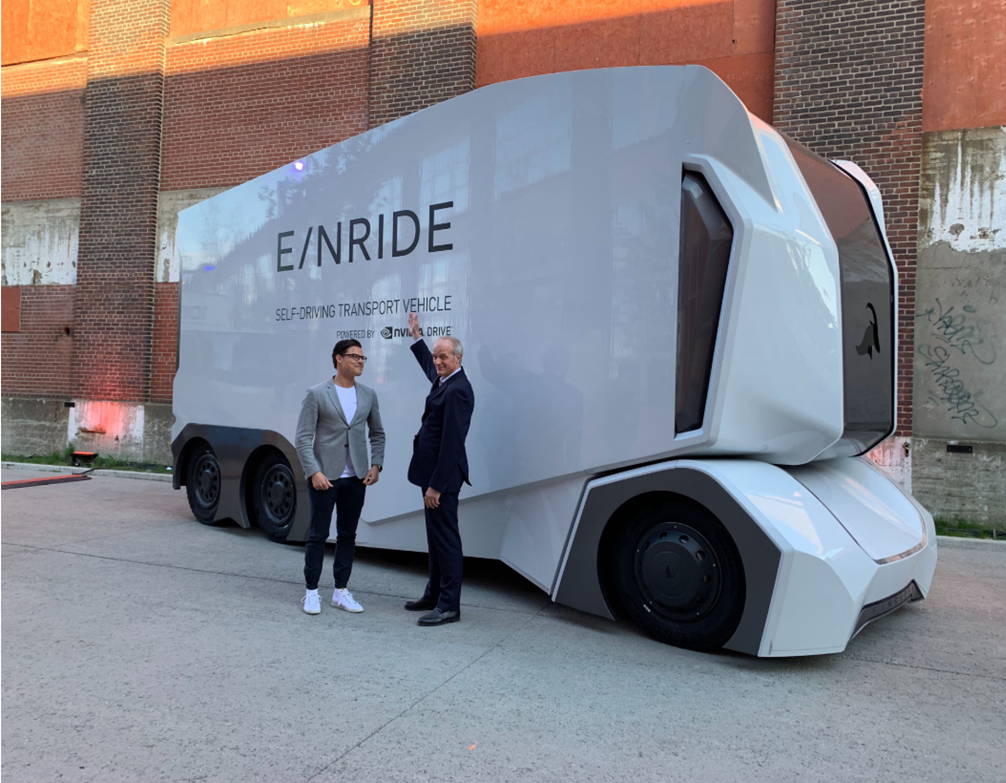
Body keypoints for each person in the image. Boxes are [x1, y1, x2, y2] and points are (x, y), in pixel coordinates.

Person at [295, 339, 385, 616]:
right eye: (354, 356)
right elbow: (303, 438)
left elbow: (377, 434)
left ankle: (340, 592)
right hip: (325, 477)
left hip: (356, 478)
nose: (360, 361)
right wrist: (314, 472)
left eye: (362, 357)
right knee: (318, 534)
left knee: (347, 535)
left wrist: (376, 465)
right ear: (338, 359)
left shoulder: (368, 394)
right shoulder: (317, 394)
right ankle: (311, 592)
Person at [404, 312, 475, 626]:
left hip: (441, 479)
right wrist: (417, 337)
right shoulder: (445, 379)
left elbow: (452, 444)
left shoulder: (459, 390)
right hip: (431, 473)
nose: (437, 361)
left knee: (446, 540)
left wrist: (436, 486)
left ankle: (448, 605)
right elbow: (428, 366)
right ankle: (434, 594)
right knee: (434, 539)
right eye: (435, 356)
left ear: (458, 358)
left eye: (443, 356)